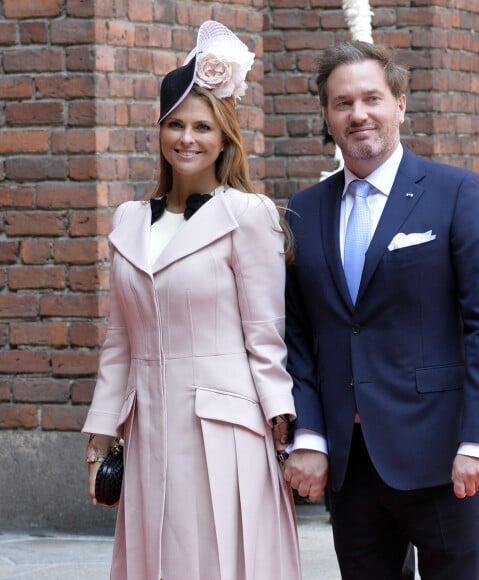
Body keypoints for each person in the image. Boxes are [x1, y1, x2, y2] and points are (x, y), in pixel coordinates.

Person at [283, 40, 479, 579]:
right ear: (326, 115)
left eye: (372, 98)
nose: (358, 114)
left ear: (400, 105)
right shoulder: (303, 210)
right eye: (342, 103)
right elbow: (299, 336)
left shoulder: (458, 193)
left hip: (442, 455)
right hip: (350, 462)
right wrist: (311, 436)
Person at [83, 21, 301, 580]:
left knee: (226, 560)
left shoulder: (247, 215)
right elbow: (118, 341)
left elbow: (265, 333)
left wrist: (282, 422)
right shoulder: (129, 221)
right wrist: (101, 437)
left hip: (225, 428)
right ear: (159, 131)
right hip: (149, 425)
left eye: (203, 126)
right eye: (175, 124)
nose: (187, 138)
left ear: (225, 136)